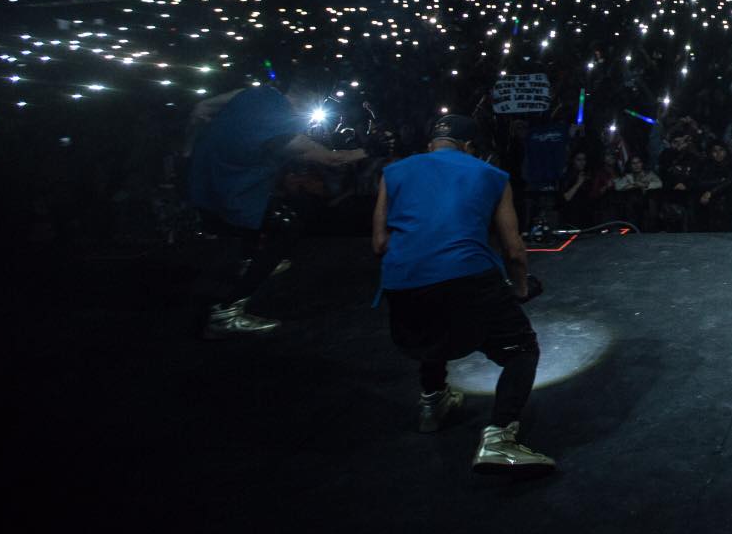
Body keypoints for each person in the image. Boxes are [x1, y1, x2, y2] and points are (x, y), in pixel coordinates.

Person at [373, 114, 553, 476]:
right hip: (466, 276)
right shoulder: (490, 174)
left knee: (433, 328)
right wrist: (520, 288)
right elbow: (513, 249)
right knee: (521, 349)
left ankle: (433, 400)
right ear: (470, 147)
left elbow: (379, 244)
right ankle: (500, 438)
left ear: (430, 145)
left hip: (403, 283)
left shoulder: (394, 172)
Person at [187, 78, 368, 337]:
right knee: (286, 226)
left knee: (267, 208)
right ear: (312, 101)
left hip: (206, 179)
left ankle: (248, 259)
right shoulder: (281, 124)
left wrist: (192, 148)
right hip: (234, 190)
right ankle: (226, 311)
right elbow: (333, 158)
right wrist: (369, 150)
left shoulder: (252, 92)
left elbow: (200, 109)